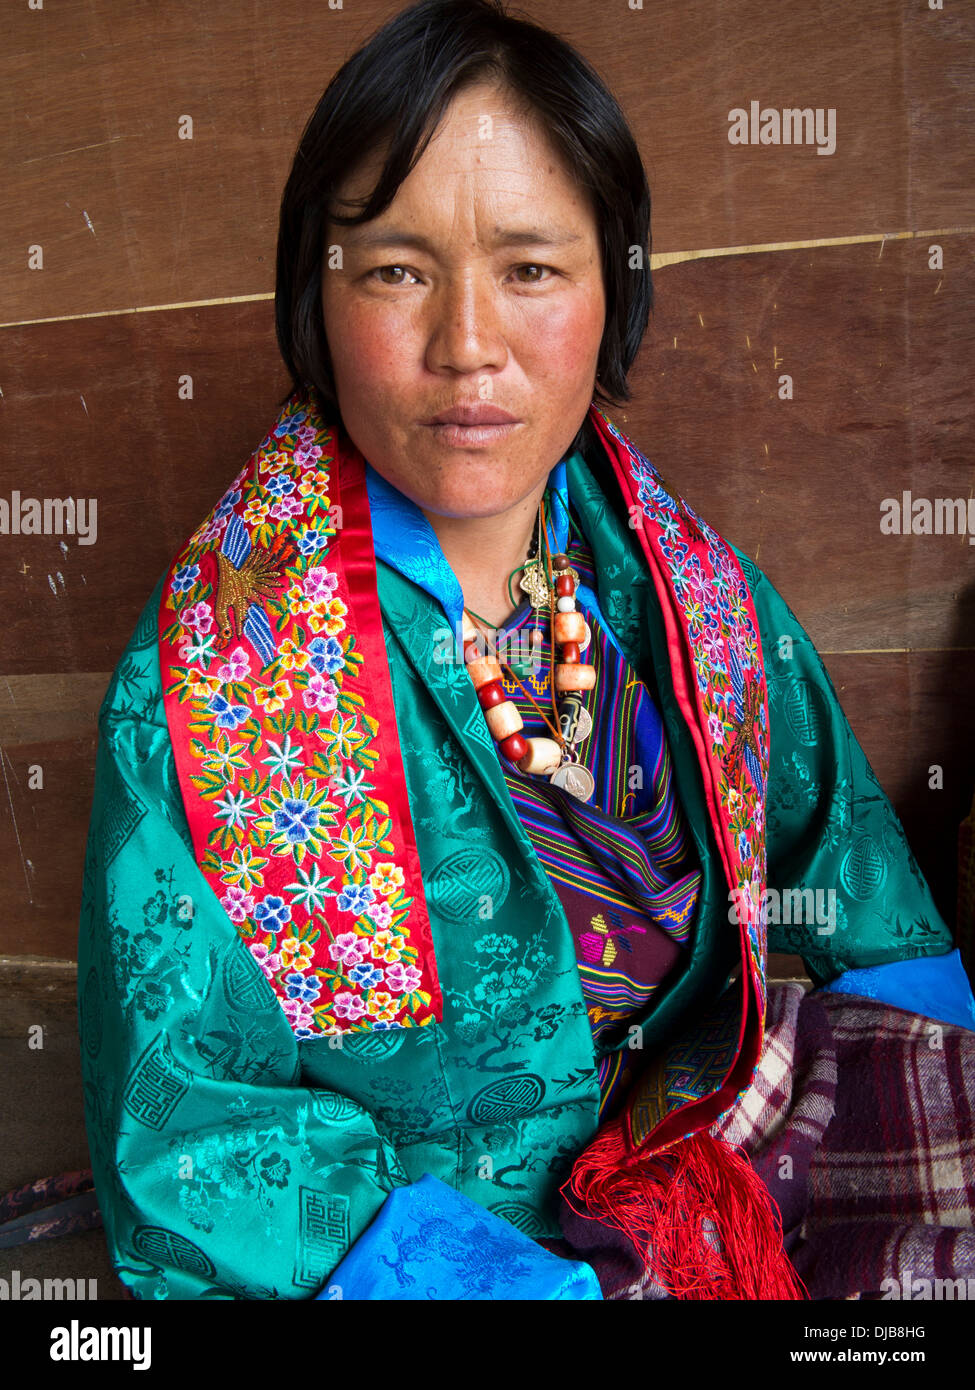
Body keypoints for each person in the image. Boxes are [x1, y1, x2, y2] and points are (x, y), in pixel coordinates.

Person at [78, 0, 975, 1300]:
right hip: (439, 1229)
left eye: (532, 268)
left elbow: (827, 827)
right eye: (396, 269)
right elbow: (188, 1135)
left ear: (616, 282)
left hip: (707, 1116)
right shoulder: (216, 680)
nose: (469, 346)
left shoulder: (661, 563)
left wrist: (930, 1039)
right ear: (311, 296)